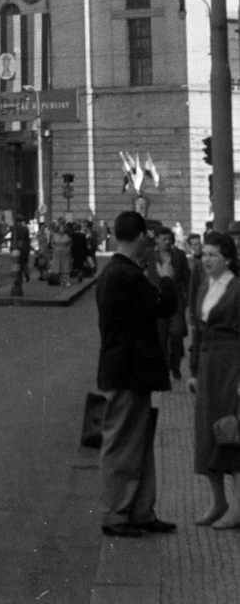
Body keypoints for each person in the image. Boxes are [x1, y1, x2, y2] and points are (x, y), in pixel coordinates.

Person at [95, 209, 178, 538]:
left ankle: (140, 510)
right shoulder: (126, 275)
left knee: (137, 443)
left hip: (128, 371)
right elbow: (164, 306)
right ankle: (116, 513)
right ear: (141, 237)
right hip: (128, 373)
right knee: (122, 444)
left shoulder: (116, 272)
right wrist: (168, 276)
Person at [187, 230, 240, 527]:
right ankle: (218, 502)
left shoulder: (237, 288)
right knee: (208, 433)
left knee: (232, 432)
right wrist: (194, 372)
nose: (205, 260)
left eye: (212, 255)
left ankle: (238, 507)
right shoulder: (205, 285)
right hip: (208, 367)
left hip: (232, 365)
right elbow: (198, 331)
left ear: (227, 258)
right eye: (204, 254)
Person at [156, 230, 191, 381]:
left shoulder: (180, 255)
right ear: (157, 239)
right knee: (161, 336)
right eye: (164, 239)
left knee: (177, 332)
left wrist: (187, 299)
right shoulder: (150, 255)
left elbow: (186, 278)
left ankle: (175, 364)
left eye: (169, 239)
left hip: (176, 301)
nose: (167, 242)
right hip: (157, 303)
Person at [10, 217, 31, 298]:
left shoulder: (14, 229)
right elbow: (27, 241)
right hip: (23, 250)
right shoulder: (25, 229)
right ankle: (25, 273)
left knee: (17, 269)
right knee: (22, 265)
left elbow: (12, 240)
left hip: (17, 250)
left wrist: (12, 249)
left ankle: (18, 284)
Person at [52, 218, 72, 287]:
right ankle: (61, 281)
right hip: (57, 253)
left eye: (63, 229)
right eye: (61, 229)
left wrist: (68, 249)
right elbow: (52, 244)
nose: (62, 230)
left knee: (66, 267)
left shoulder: (66, 236)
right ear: (58, 230)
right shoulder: (55, 236)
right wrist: (55, 248)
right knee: (59, 267)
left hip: (65, 253)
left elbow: (69, 243)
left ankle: (67, 281)